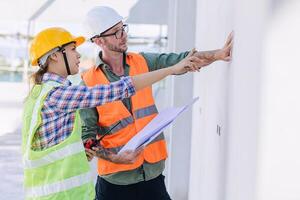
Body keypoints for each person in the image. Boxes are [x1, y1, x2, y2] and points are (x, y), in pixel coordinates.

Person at [21, 27, 202, 200]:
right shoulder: (58, 95)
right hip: (61, 195)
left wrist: (84, 151)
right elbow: (119, 89)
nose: (78, 55)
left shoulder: (39, 94)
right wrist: (171, 70)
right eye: (72, 49)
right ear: (54, 55)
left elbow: (53, 145)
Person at [81, 6, 233, 200]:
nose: (123, 35)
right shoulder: (88, 83)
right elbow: (87, 140)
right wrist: (115, 157)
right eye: (116, 32)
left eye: (123, 28)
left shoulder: (141, 62)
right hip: (115, 183)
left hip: (152, 174)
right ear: (99, 40)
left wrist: (219, 54)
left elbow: (182, 61)